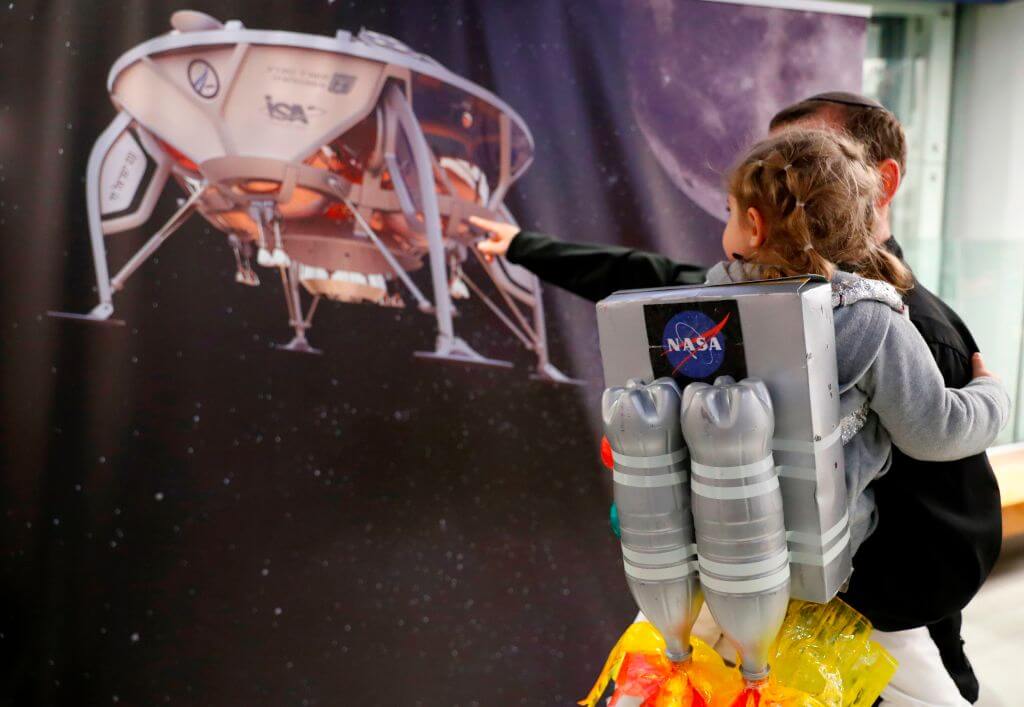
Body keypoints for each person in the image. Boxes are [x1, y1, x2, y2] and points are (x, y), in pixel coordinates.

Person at [471, 97, 1007, 705]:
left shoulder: (713, 308)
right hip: (833, 589)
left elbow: (943, 534)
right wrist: (992, 396)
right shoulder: (880, 323)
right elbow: (936, 431)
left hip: (734, 571)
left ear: (753, 225)